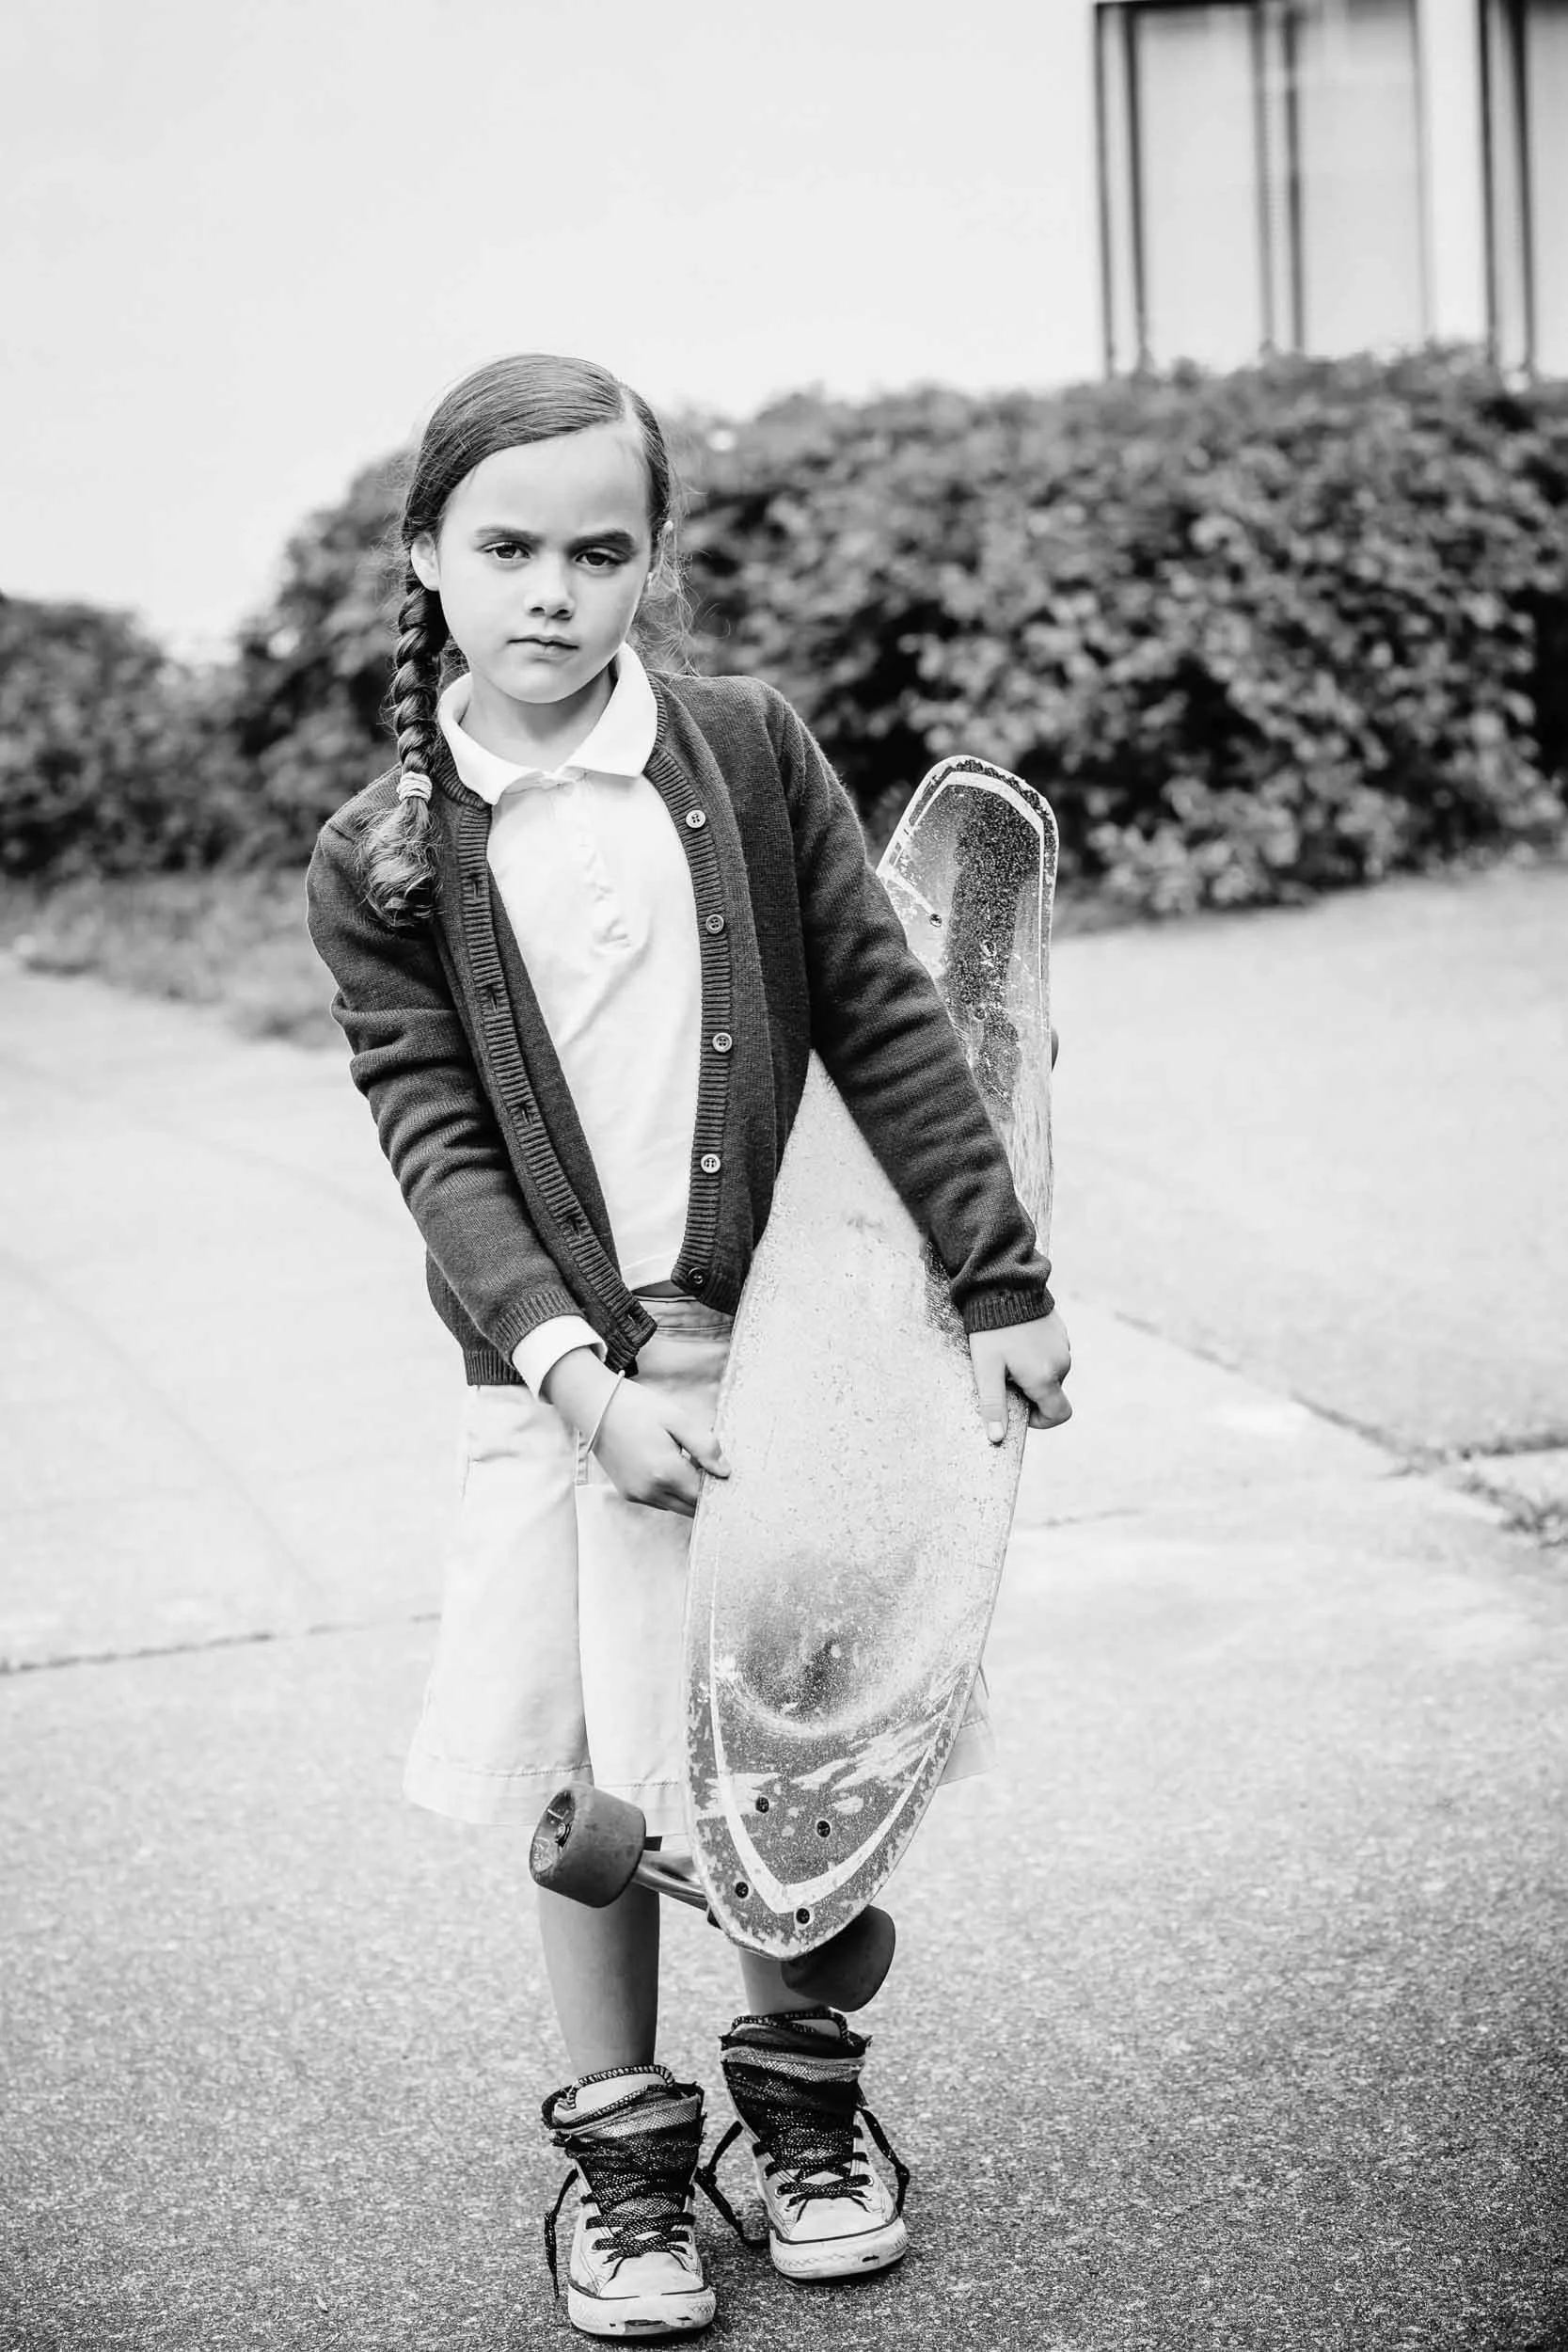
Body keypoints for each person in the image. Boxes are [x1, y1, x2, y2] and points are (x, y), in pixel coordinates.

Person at [306, 352, 1071, 2340]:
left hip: (777, 1365)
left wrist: (992, 1277)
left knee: (781, 1753)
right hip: (559, 1393)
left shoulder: (743, 748)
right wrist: (576, 1373)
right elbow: (437, 1143)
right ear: (426, 557)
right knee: (589, 1787)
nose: (550, 588)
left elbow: (892, 1028)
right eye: (504, 546)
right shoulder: (382, 851)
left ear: (650, 562)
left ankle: (805, 2121)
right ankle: (625, 2166)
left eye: (597, 548)